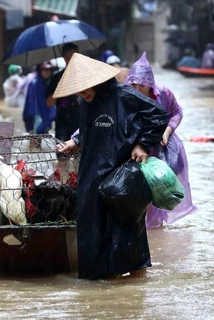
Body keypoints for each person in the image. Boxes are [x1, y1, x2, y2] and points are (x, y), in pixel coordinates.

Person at [54, 53, 169, 280]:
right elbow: (89, 132)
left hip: (122, 175)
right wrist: (75, 143)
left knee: (127, 228)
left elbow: (159, 115)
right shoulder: (84, 102)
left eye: (85, 89)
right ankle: (101, 286)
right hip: (91, 174)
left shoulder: (124, 95)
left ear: (97, 82)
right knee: (93, 230)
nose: (82, 94)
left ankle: (134, 282)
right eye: (78, 90)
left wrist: (142, 145)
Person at [125, 52, 196, 228]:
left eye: (141, 85)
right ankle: (143, 230)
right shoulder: (125, 96)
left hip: (161, 149)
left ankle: (156, 231)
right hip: (137, 149)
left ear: (150, 84)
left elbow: (177, 112)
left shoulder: (164, 94)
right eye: (133, 84)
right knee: (139, 192)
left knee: (159, 189)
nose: (136, 89)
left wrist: (168, 129)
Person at [46, 43, 80, 142]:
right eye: (71, 54)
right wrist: (60, 87)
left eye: (77, 54)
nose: (75, 58)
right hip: (63, 122)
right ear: (64, 57)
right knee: (62, 153)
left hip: (82, 121)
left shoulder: (84, 76)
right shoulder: (57, 78)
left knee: (82, 155)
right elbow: (49, 103)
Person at [23, 61, 55, 135]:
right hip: (35, 116)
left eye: (49, 70)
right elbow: (32, 103)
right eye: (44, 70)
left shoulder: (49, 83)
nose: (47, 72)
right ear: (40, 70)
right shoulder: (34, 84)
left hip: (45, 115)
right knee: (35, 138)